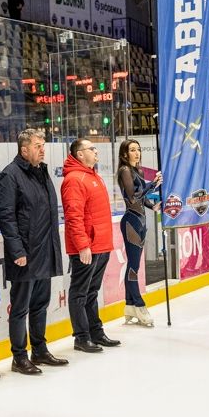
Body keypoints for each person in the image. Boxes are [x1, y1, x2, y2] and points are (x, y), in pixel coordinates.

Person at [0, 128, 67, 375]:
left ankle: (40, 349)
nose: (42, 150)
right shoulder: (9, 175)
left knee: (40, 304)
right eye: (38, 146)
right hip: (25, 254)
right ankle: (19, 357)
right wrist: (17, 251)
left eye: (43, 145)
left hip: (44, 251)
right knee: (20, 307)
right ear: (24, 149)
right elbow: (6, 217)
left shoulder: (41, 172)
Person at [61, 138, 120, 352]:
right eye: (91, 149)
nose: (96, 152)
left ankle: (96, 332)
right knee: (80, 292)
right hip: (87, 247)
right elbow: (73, 216)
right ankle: (81, 337)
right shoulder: (74, 179)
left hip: (101, 245)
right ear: (79, 154)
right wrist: (82, 245)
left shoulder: (93, 176)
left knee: (92, 291)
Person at [116, 139, 162, 326]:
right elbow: (133, 198)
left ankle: (129, 304)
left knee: (134, 265)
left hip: (141, 221)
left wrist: (152, 206)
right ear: (125, 154)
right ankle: (139, 304)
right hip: (131, 222)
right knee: (134, 266)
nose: (137, 153)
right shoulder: (125, 171)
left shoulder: (139, 171)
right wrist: (152, 185)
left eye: (138, 149)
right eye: (132, 150)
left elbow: (142, 199)